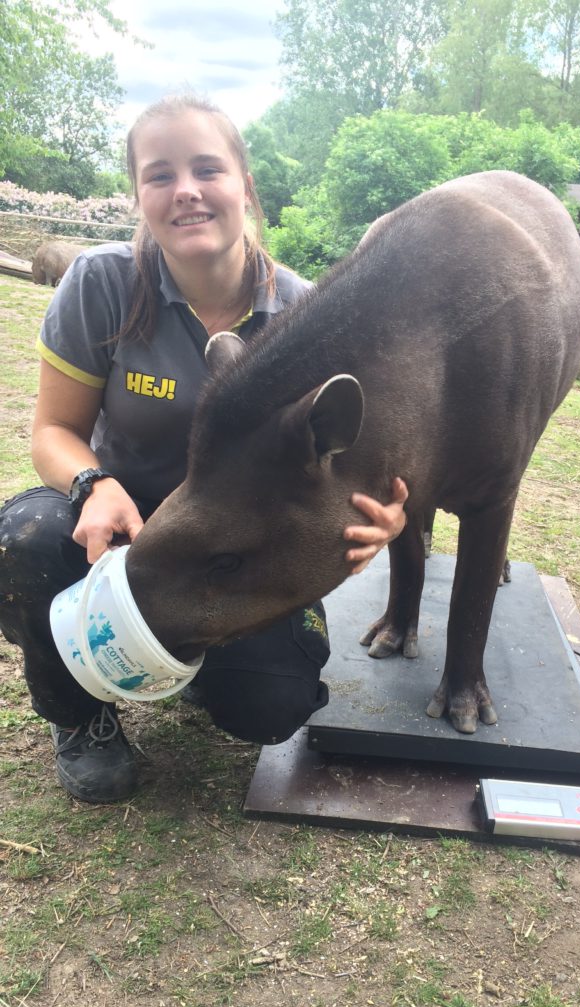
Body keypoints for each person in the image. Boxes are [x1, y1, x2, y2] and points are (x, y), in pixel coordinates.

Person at [0, 94, 408, 805]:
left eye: (207, 169)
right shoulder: (100, 284)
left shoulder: (307, 315)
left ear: (244, 186)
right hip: (116, 529)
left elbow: (352, 469)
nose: (185, 190)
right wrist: (91, 482)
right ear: (138, 195)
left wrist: (385, 522)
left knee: (274, 705)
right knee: (26, 541)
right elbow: (52, 433)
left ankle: (188, 662)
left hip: (237, 548)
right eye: (160, 174)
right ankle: (80, 715)